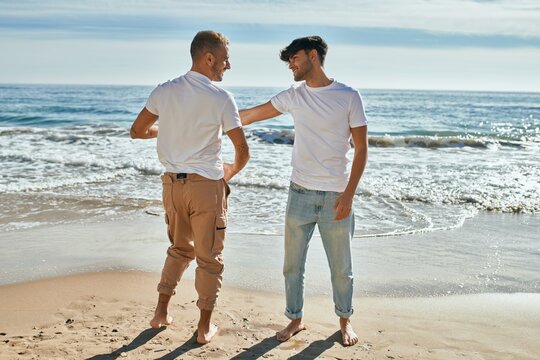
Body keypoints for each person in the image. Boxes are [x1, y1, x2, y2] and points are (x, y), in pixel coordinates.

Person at [239, 36, 368, 346]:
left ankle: (344, 322)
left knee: (341, 269)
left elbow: (362, 149)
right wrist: (213, 120)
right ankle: (295, 319)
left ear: (313, 55)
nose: (291, 65)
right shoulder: (294, 96)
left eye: (294, 58)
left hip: (336, 196)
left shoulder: (348, 96)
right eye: (288, 62)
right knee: (292, 265)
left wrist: (349, 194)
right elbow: (251, 115)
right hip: (299, 194)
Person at [130, 30, 249, 344]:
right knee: (209, 259)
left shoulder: (164, 90)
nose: (228, 65)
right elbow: (242, 150)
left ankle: (160, 313)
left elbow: (137, 131)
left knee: (179, 250)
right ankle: (203, 327)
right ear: (208, 58)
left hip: (171, 187)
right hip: (205, 188)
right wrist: (230, 174)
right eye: (225, 59)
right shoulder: (221, 98)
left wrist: (169, 132)